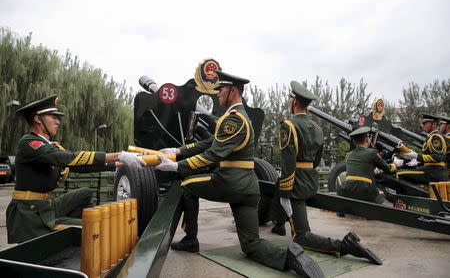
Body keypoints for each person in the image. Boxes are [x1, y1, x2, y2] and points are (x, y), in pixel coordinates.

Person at [155, 72, 325, 278]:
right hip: (248, 189)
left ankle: (191, 239)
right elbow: (210, 142)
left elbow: (213, 153)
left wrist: (177, 167)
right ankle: (289, 257)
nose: (218, 94)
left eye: (221, 90)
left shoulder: (234, 119)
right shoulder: (238, 118)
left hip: (230, 183)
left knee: (187, 185)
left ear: (233, 91)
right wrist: (177, 151)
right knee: (251, 244)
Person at [6, 95, 144, 243]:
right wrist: (118, 155)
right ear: (38, 119)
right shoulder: (29, 143)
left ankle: (68, 231)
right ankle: (69, 232)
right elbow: (66, 158)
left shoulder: (48, 146)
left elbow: (76, 166)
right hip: (29, 213)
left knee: (84, 193)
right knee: (98, 227)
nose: (58, 122)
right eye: (53, 117)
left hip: (45, 206)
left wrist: (117, 164)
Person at [277, 81, 382, 265]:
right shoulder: (317, 129)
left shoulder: (288, 126)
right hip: (310, 180)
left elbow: (288, 162)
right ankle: (278, 225)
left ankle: (343, 245)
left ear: (294, 102)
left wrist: (285, 193)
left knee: (300, 236)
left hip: (295, 184)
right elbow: (316, 160)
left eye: (290, 100)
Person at [336, 126, 399, 204]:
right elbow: (388, 169)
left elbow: (359, 168)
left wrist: (373, 171)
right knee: (381, 194)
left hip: (349, 189)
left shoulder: (349, 155)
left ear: (354, 142)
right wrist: (395, 164)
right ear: (367, 140)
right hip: (365, 189)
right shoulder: (373, 153)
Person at [396, 113, 448, 183]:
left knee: (399, 174)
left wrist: (416, 156)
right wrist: (415, 158)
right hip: (430, 170)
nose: (422, 126)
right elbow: (427, 154)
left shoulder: (436, 137)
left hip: (434, 172)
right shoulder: (431, 136)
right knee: (401, 171)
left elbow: (438, 157)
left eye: (425, 123)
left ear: (434, 125)